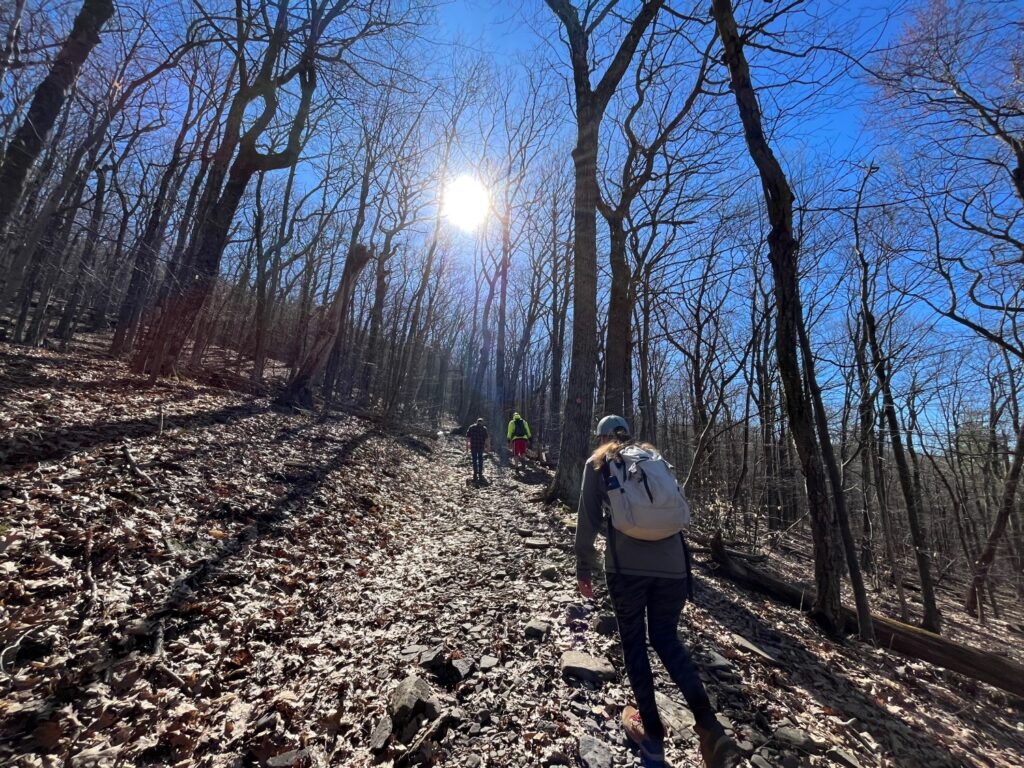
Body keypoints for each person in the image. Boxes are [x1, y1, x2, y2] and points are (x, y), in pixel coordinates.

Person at [575, 414, 738, 768]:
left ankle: (652, 736)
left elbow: (587, 519)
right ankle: (710, 727)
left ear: (602, 438)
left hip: (627, 569)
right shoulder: (653, 459)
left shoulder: (599, 462)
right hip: (673, 568)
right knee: (666, 639)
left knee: (634, 644)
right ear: (628, 435)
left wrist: (583, 569)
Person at [465, 418, 490, 484]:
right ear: (482, 422)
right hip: (480, 447)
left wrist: (467, 447)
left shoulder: (471, 427)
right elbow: (487, 439)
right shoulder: (484, 429)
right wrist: (488, 448)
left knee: (475, 460)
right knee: (480, 460)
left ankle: (475, 473)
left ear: (476, 422)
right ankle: (479, 473)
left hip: (474, 446)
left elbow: (468, 438)